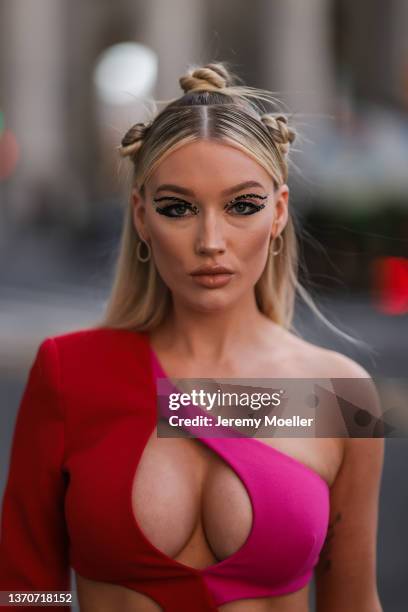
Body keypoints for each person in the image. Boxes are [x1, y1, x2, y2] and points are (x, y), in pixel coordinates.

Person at [0, 62, 384, 611]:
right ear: (141, 217)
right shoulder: (68, 373)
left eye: (241, 206)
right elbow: (22, 588)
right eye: (177, 208)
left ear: (278, 214)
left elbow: (352, 603)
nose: (210, 240)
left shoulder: (338, 394)